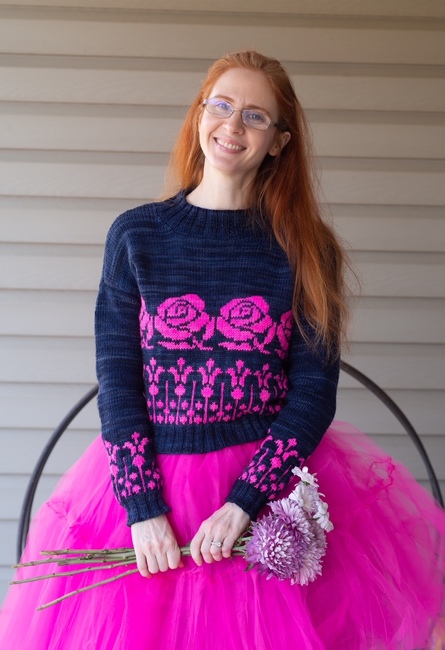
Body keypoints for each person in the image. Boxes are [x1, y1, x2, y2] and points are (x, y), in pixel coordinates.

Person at [0, 50, 444, 650]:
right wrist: (142, 507)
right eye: (222, 105)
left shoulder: (306, 249)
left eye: (255, 116)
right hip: (150, 483)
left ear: (279, 141)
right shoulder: (136, 236)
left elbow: (314, 395)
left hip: (266, 490)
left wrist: (245, 504)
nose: (233, 125)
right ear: (199, 114)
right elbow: (118, 378)